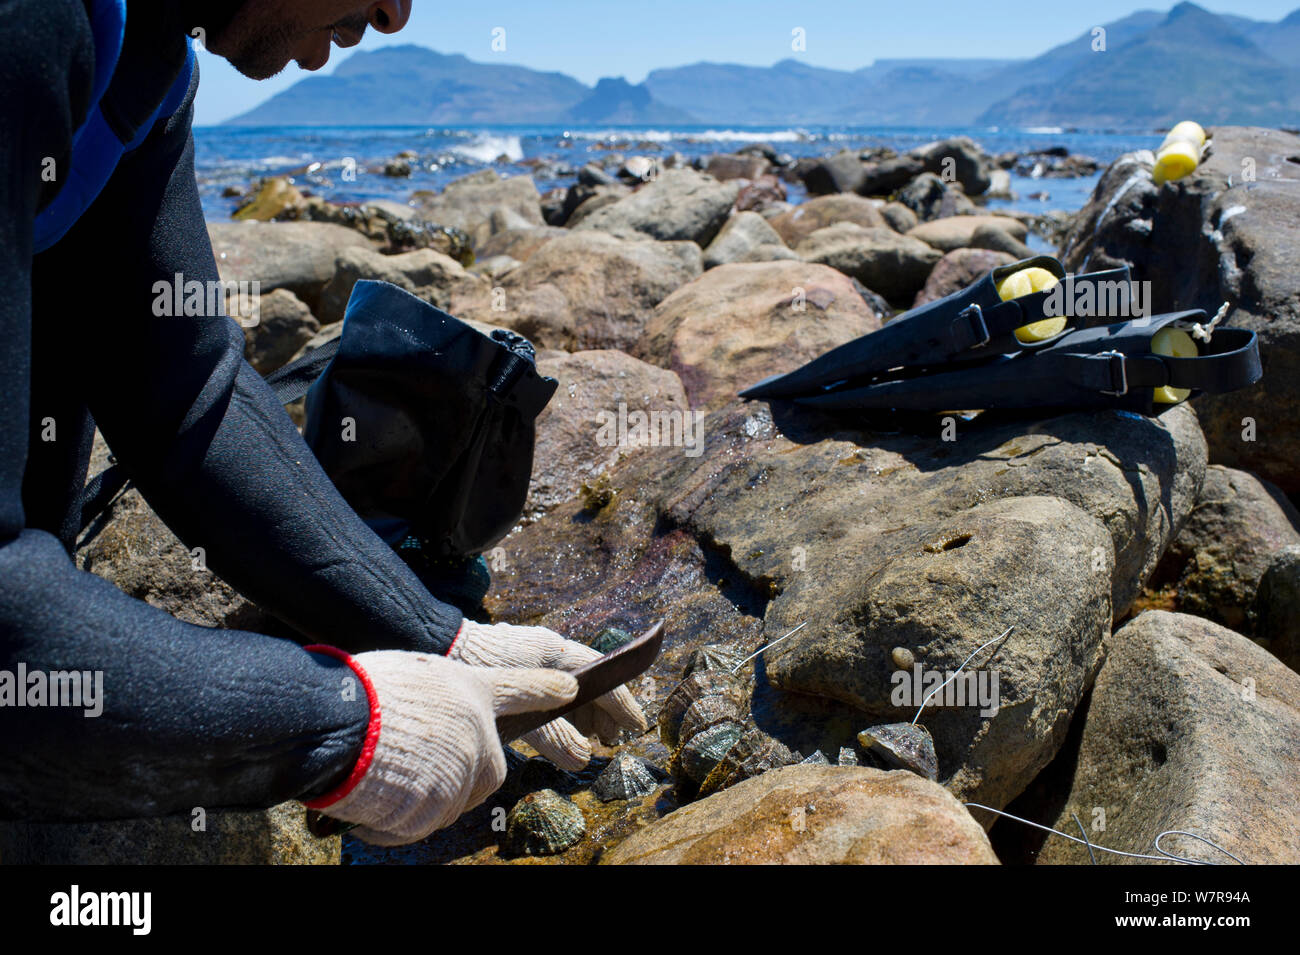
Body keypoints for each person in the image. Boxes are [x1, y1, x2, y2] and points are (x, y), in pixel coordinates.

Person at [0, 0, 645, 847]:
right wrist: (348, 729)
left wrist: (437, 636)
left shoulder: (138, 58)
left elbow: (190, 394)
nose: (394, 12)